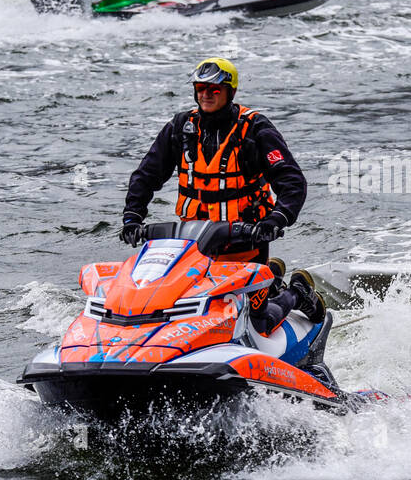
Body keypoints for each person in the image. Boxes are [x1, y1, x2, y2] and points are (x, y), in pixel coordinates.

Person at [119, 57, 323, 332]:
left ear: (230, 92)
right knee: (181, 314)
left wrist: (275, 220)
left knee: (256, 324)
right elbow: (146, 175)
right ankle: (272, 278)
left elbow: (292, 181)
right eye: (200, 88)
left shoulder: (255, 130)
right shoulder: (180, 128)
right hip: (195, 247)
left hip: (247, 243)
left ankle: (298, 291)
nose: (206, 94)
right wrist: (132, 217)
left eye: (214, 89)